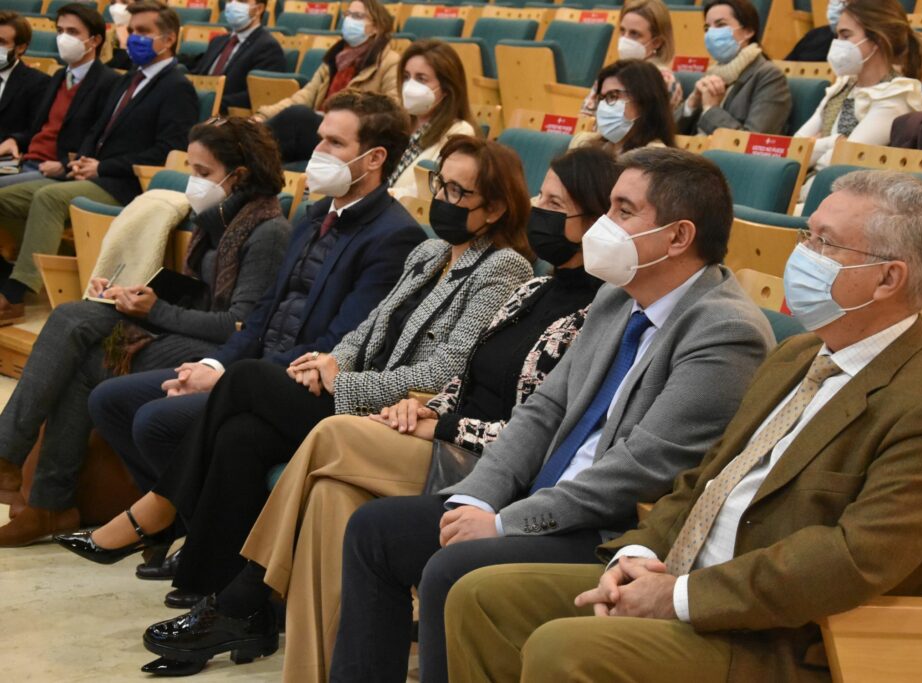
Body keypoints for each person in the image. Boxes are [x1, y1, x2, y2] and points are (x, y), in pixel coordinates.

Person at [444, 171, 922, 683]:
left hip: (776, 636)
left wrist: (680, 597)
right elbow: (705, 479)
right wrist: (637, 556)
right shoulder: (798, 355)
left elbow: (851, 560)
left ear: (887, 278)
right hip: (681, 575)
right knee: (481, 598)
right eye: (807, 235)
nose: (803, 254)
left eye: (825, 243)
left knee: (564, 649)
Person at [59, 134, 534, 677]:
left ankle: (164, 514)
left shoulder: (504, 270)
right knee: (241, 435)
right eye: (440, 184)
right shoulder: (428, 253)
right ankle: (234, 605)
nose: (443, 199)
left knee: (245, 380)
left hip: (397, 413)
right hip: (353, 389)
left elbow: (446, 370)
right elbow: (369, 328)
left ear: (495, 208)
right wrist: (328, 362)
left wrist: (344, 384)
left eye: (459, 192)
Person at [141, 147, 620, 681]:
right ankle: (299, 659)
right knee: (322, 488)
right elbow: (457, 375)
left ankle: (237, 590)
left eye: (554, 203)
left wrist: (428, 416)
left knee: (318, 425)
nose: (539, 209)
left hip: (477, 458)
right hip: (427, 424)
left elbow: (539, 426)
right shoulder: (533, 289)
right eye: (540, 196)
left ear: (596, 221)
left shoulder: (593, 311)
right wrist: (409, 403)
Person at [331, 148, 776, 683]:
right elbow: (543, 409)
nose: (605, 224)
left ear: (678, 236)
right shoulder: (617, 298)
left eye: (624, 210)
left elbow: (642, 466)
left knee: (451, 569)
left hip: (610, 531)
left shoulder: (725, 331)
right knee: (375, 530)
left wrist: (504, 523)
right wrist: (478, 498)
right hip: (539, 499)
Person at [84, 91, 426, 519]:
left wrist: (227, 380)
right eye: (321, 138)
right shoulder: (314, 215)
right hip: (251, 367)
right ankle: (181, 523)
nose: (318, 150)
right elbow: (263, 313)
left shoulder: (394, 237)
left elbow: (339, 343)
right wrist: (215, 365)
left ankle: (177, 523)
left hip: (296, 384)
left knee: (155, 420)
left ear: (374, 159)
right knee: (110, 400)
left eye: (335, 143)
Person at [0, 118, 292, 547]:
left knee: (81, 341)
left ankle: (30, 480)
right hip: (188, 328)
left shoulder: (268, 231)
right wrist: (128, 294)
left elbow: (238, 325)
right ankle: (39, 494)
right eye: (191, 169)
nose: (193, 182)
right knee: (74, 322)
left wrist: (156, 309)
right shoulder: (217, 219)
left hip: (223, 354)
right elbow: (199, 295)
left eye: (203, 172)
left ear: (239, 175)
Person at [0, 0, 199, 325]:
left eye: (143, 31)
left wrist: (102, 167)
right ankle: (20, 271)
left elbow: (169, 151)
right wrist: (80, 160)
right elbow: (97, 130)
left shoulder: (178, 87)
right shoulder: (130, 78)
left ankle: (14, 295)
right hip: (93, 174)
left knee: (48, 198)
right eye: (131, 30)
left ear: (169, 39)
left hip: (127, 184)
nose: (134, 37)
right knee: (4, 198)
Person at [253, 0, 400, 165]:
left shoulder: (390, 62)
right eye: (348, 15)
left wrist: (343, 118)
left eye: (358, 16)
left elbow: (392, 112)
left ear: (376, 27)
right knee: (285, 128)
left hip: (351, 138)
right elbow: (304, 96)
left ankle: (251, 148)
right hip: (322, 130)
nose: (350, 20)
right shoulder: (334, 58)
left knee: (299, 117)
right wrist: (262, 116)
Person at [796, 0, 922, 174]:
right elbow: (795, 149)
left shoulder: (897, 95)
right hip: (806, 183)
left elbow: (838, 162)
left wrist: (813, 146)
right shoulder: (843, 85)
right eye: (837, 36)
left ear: (878, 40)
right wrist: (832, 142)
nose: (837, 43)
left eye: (846, 36)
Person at [0, 3, 118, 189]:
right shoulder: (58, 76)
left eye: (72, 32)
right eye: (60, 31)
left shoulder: (108, 82)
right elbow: (39, 128)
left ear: (95, 40)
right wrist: (15, 140)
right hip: (24, 162)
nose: (63, 38)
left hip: (54, 170)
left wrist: (64, 165)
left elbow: (98, 138)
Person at [677, 0, 791, 136]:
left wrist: (711, 110)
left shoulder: (769, 77)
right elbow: (666, 135)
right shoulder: (713, 73)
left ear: (748, 31)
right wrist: (691, 104)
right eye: (707, 28)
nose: (711, 33)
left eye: (721, 25)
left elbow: (753, 141)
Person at [389, 39, 476, 200]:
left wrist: (381, 197)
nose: (409, 86)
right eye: (406, 77)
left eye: (421, 79)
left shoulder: (459, 131)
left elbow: (432, 189)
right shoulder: (396, 125)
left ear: (446, 88)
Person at [580, 0, 682, 118]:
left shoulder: (664, 80)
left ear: (656, 42)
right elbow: (585, 116)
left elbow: (648, 125)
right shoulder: (610, 74)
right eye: (622, 31)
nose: (625, 39)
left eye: (634, 34)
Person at [188, 0, 286, 112]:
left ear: (258, 9)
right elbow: (198, 74)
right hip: (194, 107)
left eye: (242, 1)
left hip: (226, 115)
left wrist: (209, 102)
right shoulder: (218, 41)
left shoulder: (268, 47)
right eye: (230, 0)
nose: (233, 4)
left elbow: (256, 96)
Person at [570, 60, 676, 155]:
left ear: (643, 101)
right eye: (602, 98)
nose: (603, 105)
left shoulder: (655, 157)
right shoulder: (583, 144)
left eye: (612, 96)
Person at [0, 11, 49, 145]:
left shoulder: (38, 83)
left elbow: (36, 130)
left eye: (2, 42)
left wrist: (14, 140)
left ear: (21, 48)